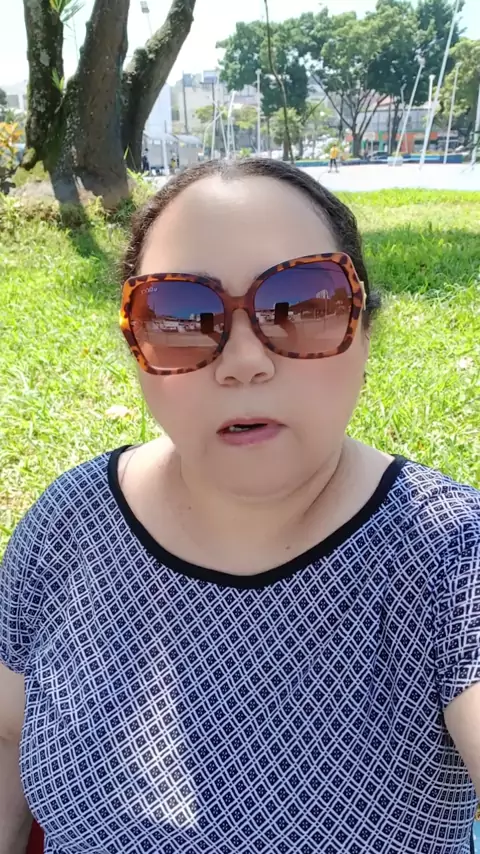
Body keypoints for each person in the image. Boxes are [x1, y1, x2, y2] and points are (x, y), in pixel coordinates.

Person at [1, 158, 479, 854]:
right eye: (180, 316)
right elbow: (8, 734)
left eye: (305, 305)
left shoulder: (451, 555)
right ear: (135, 348)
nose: (244, 361)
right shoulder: (68, 524)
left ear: (365, 329)